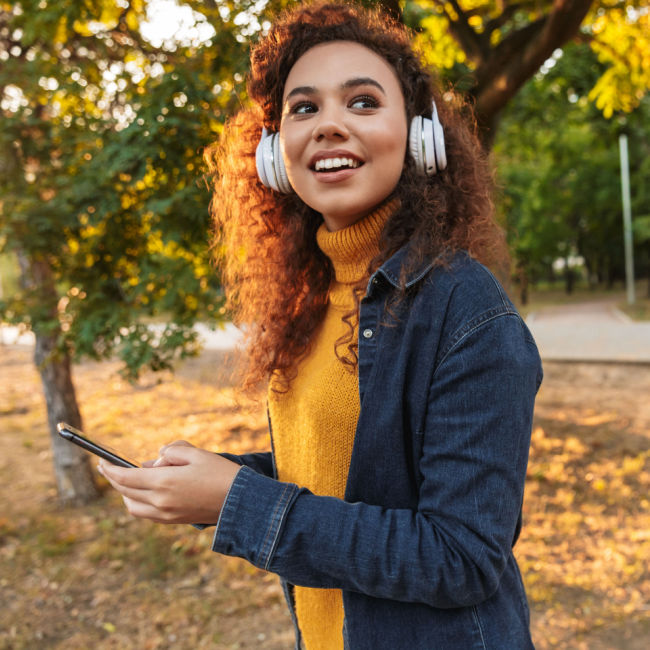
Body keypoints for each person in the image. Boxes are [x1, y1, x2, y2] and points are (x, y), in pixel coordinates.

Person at [98, 2, 542, 648]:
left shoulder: (467, 312)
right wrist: (213, 478)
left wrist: (237, 504)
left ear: (419, 134)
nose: (329, 125)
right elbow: (342, 469)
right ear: (276, 152)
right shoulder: (310, 295)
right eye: (304, 108)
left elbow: (461, 557)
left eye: (362, 102)